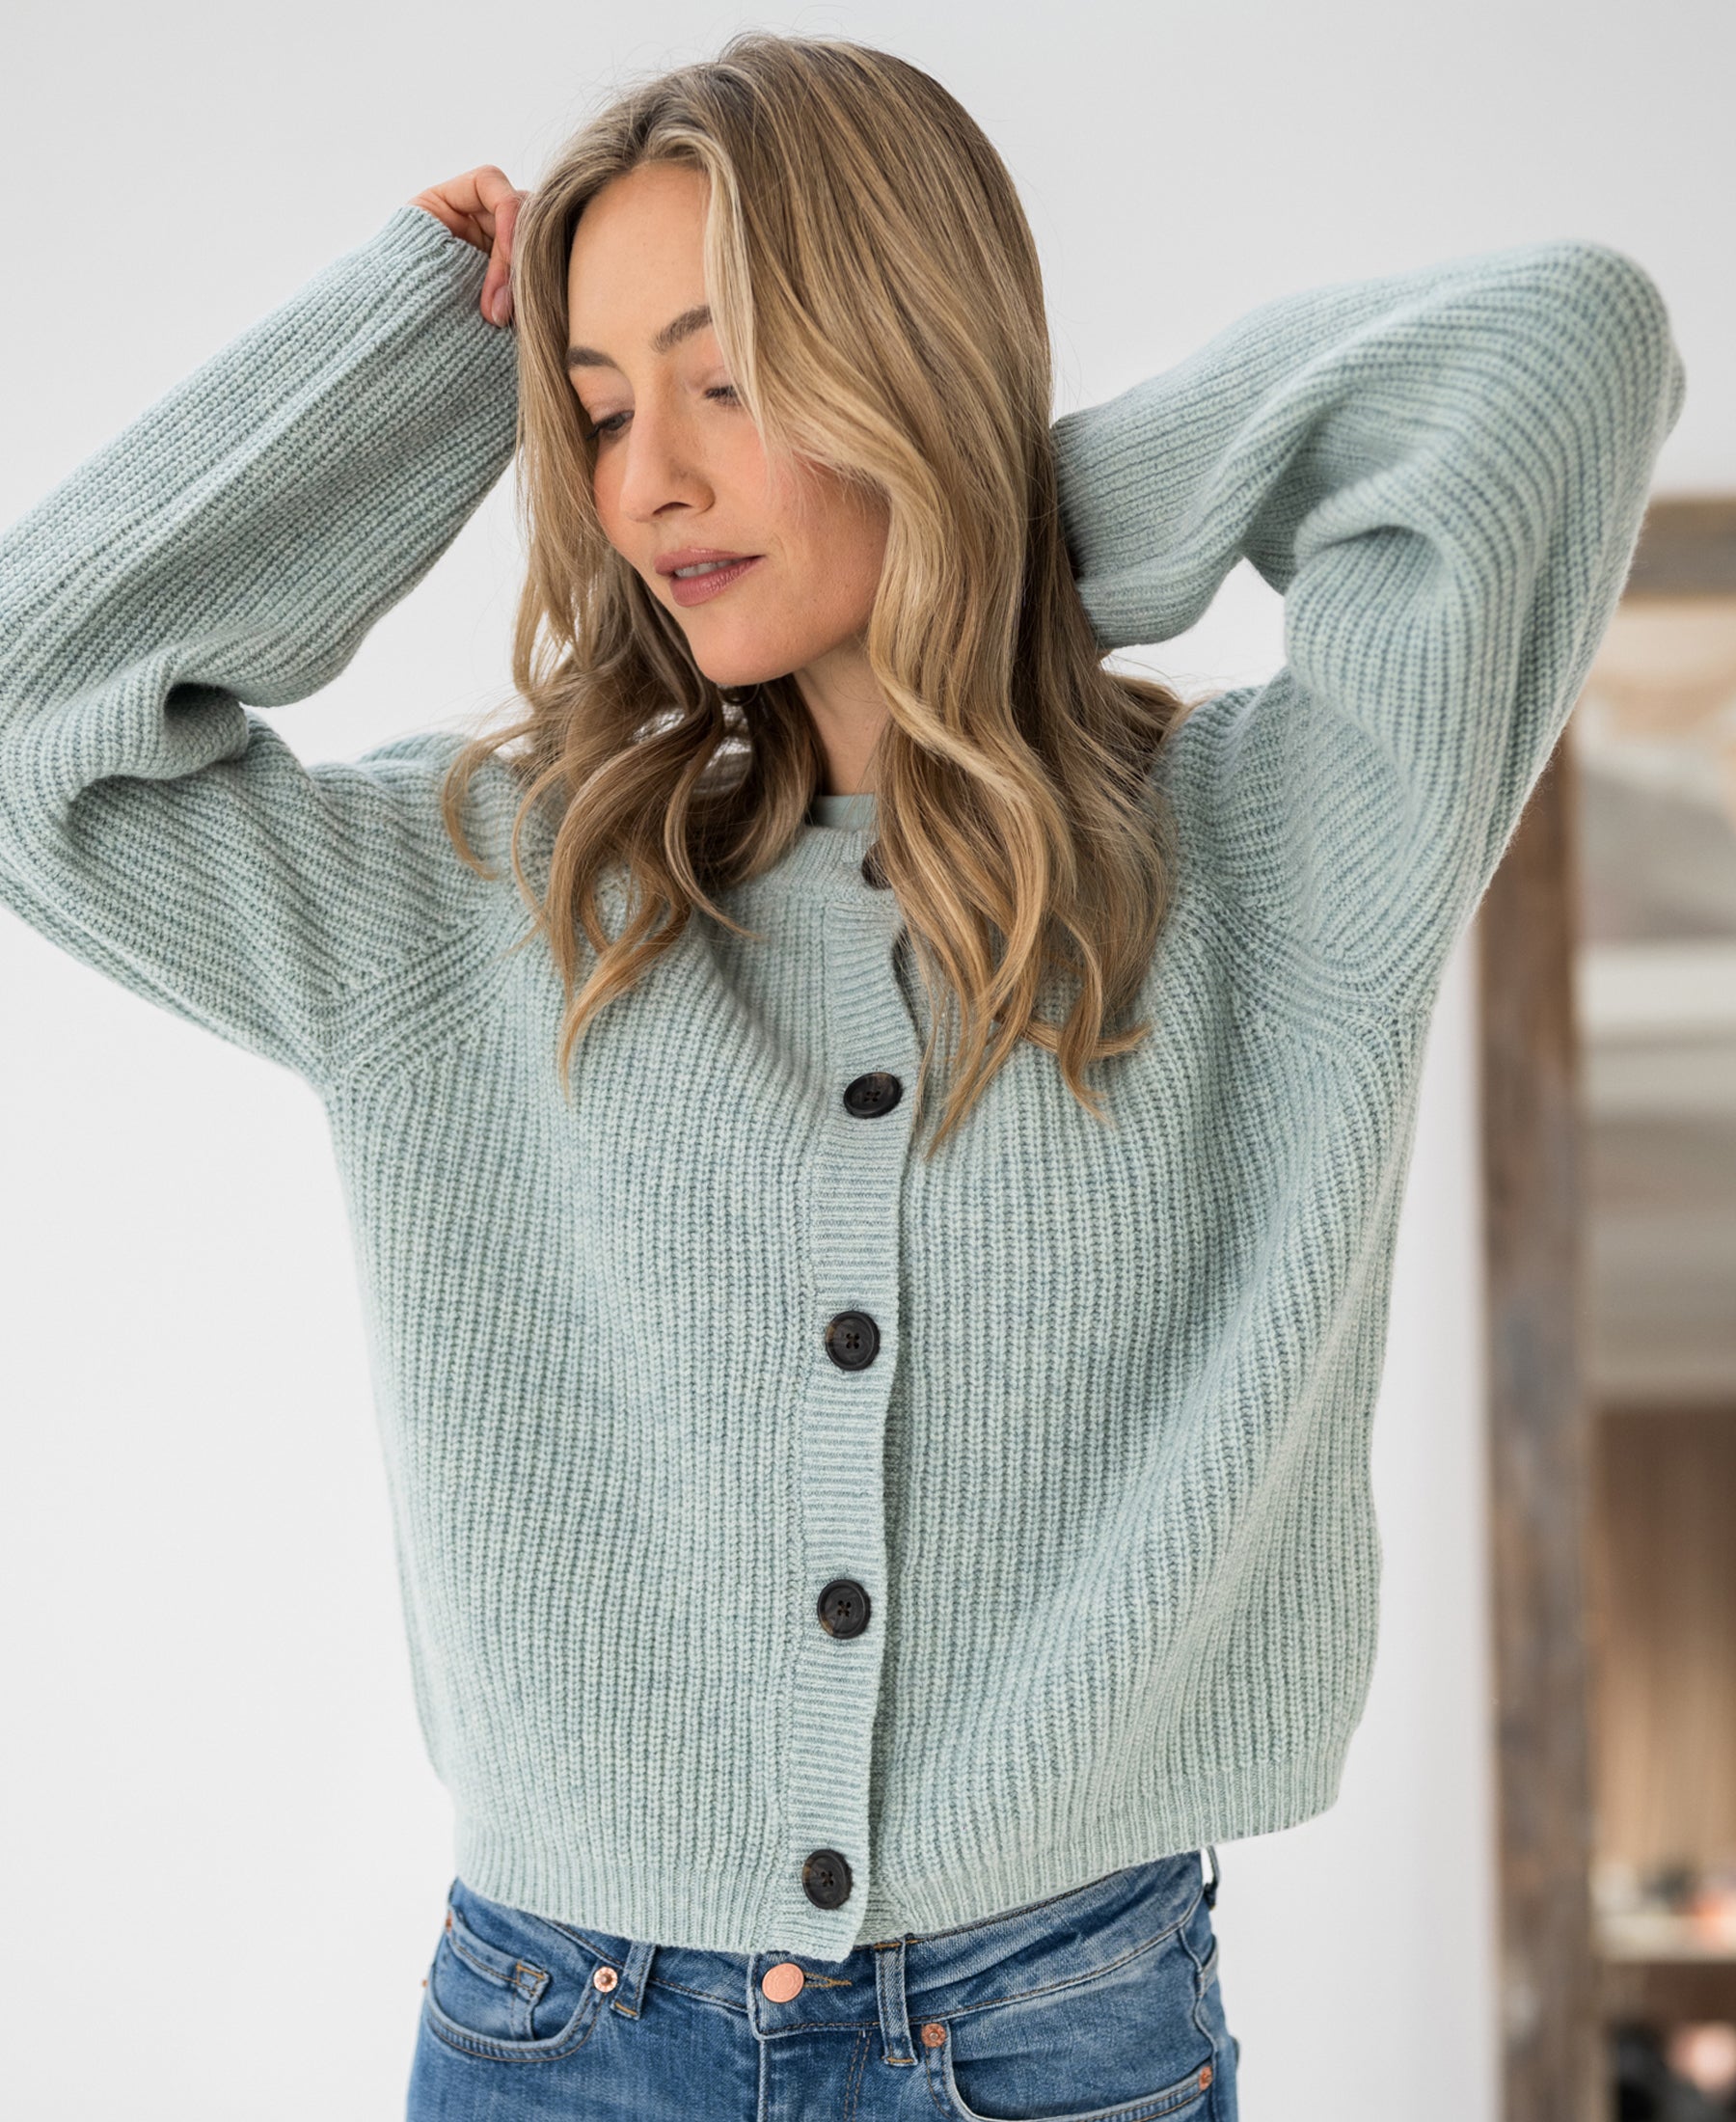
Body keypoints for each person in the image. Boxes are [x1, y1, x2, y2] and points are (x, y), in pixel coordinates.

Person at [0, 30, 1685, 2122]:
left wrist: (1004, 522)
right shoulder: (490, 897)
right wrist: (407, 365)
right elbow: (31, 721)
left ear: (908, 358)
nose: (648, 485)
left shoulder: (1278, 858)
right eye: (596, 411)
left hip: (1058, 2032)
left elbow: (1556, 348)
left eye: (727, 379)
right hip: (558, 2036)